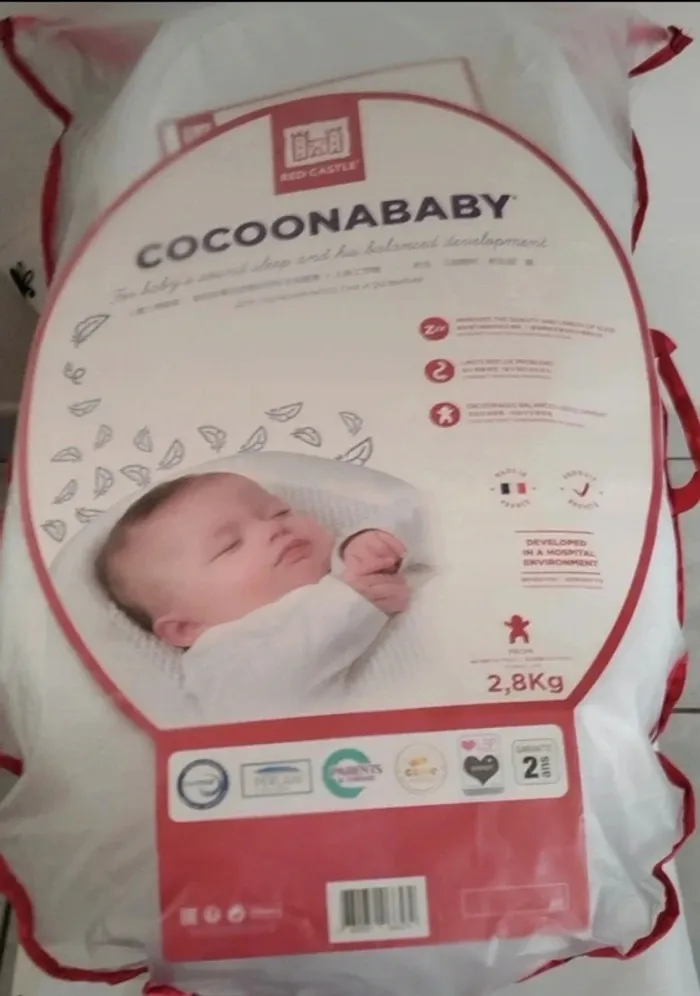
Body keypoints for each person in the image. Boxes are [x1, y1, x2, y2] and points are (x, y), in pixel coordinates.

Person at [94, 471, 427, 719]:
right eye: (230, 545)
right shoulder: (224, 657)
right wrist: (347, 605)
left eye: (279, 512)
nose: (273, 528)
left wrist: (381, 535)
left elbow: (431, 509)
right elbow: (262, 702)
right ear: (187, 628)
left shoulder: (347, 558)